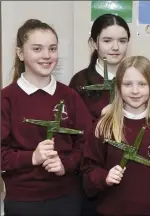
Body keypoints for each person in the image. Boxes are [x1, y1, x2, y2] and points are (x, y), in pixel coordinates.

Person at [1, 19, 92, 216]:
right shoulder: (6, 99)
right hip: (23, 202)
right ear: (20, 54)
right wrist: (32, 157)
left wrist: (65, 164)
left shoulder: (70, 96)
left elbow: (87, 143)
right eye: (37, 49)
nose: (46, 56)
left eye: (52, 49)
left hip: (67, 198)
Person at [81, 56, 150, 216]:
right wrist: (104, 177)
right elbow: (87, 170)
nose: (135, 91)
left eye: (142, 84)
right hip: (113, 210)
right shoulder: (103, 126)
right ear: (118, 87)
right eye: (127, 84)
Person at [69, 14, 131, 119]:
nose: (115, 47)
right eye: (107, 41)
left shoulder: (137, 78)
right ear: (93, 43)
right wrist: (101, 118)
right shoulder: (80, 81)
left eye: (122, 41)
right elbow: (71, 125)